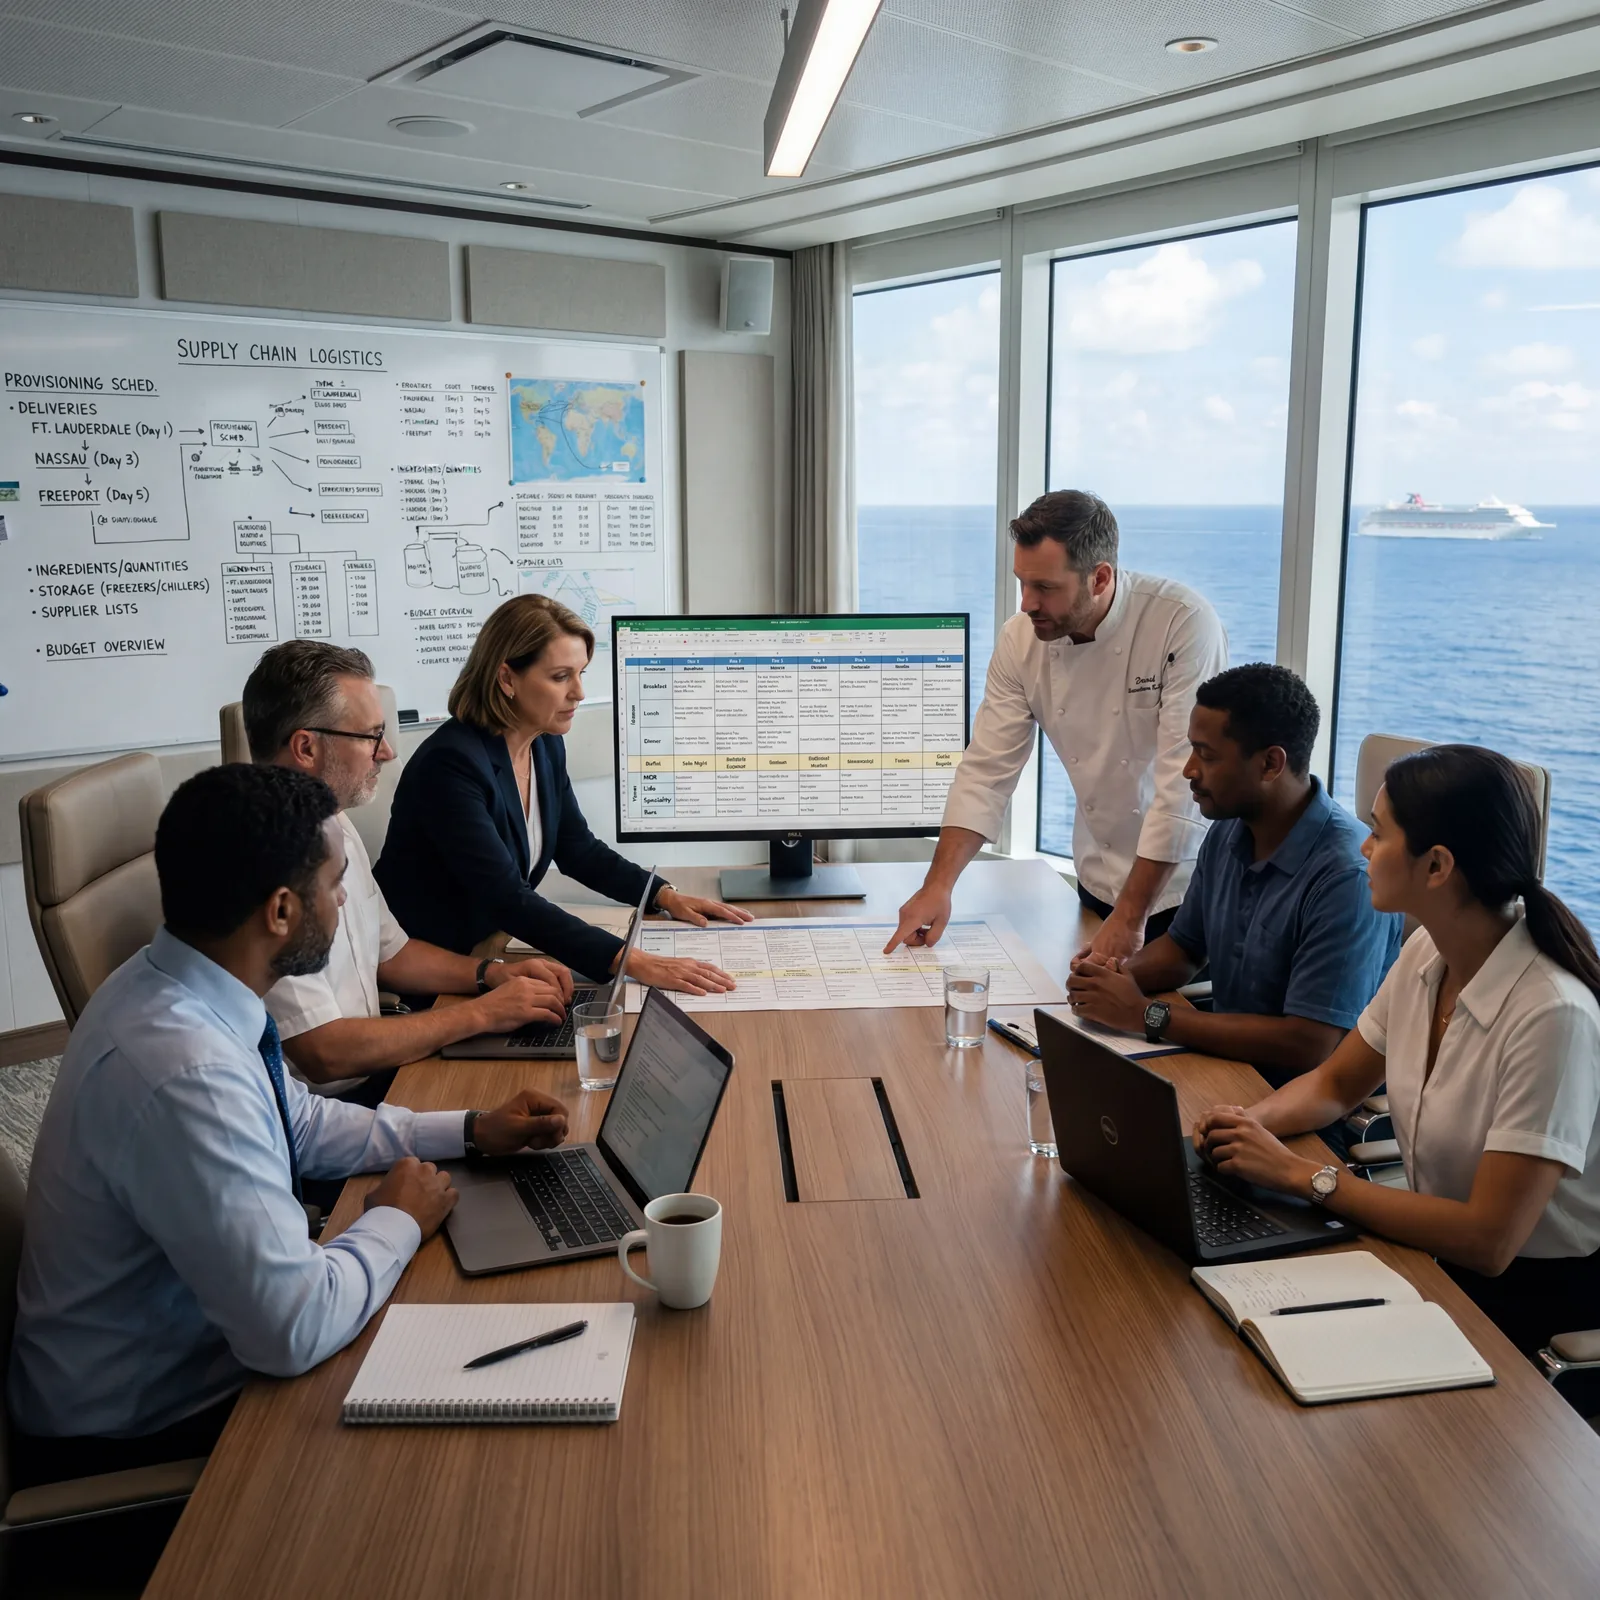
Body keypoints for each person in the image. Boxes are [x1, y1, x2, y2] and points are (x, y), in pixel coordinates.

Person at [7, 764, 571, 1483]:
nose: (343, 903)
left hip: (201, 1350)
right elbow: (293, 1330)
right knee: (489, 1445)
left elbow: (294, 1123)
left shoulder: (166, 984)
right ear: (280, 911)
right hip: (141, 1431)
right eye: (335, 886)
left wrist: (468, 1130)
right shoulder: (189, 1073)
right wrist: (397, 1218)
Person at [1193, 745, 1600, 1405]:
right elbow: (1332, 1085)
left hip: (1531, 1302)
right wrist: (1246, 1125)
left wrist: (1304, 1176)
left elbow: (1489, 1240)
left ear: (1437, 866)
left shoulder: (1553, 1015)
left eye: (1379, 833)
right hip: (1432, 1255)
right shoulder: (1425, 953)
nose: (1362, 849)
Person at [885, 490, 1227, 963]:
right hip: (1096, 882)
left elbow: (1180, 785)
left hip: (1184, 890)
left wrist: (1130, 918)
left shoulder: (1180, 623)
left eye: (1044, 587)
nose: (1027, 603)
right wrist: (937, 886)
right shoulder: (1019, 641)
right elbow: (986, 772)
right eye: (1022, 583)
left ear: (1100, 577)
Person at [244, 640, 573, 1105]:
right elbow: (325, 1053)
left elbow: (392, 954)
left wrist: (489, 974)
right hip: (332, 1107)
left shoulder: (332, 820)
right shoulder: (264, 862)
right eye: (371, 736)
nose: (388, 753)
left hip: (376, 1072)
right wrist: (481, 1015)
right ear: (305, 747)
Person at [376, 594, 750, 995]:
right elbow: (507, 897)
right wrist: (634, 961)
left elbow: (578, 848)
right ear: (507, 679)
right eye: (560, 677)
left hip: (489, 946)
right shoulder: (451, 764)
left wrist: (661, 894)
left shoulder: (543, 743)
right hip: (432, 971)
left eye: (581, 673)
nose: (579, 693)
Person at [1066, 664, 1402, 1097]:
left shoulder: (1345, 877)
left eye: (1206, 755)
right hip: (1222, 1072)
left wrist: (1146, 1015)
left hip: (1304, 1108)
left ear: (1269, 764)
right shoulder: (1228, 829)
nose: (1188, 770)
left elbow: (1311, 1045)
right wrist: (1111, 979)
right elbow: (1185, 949)